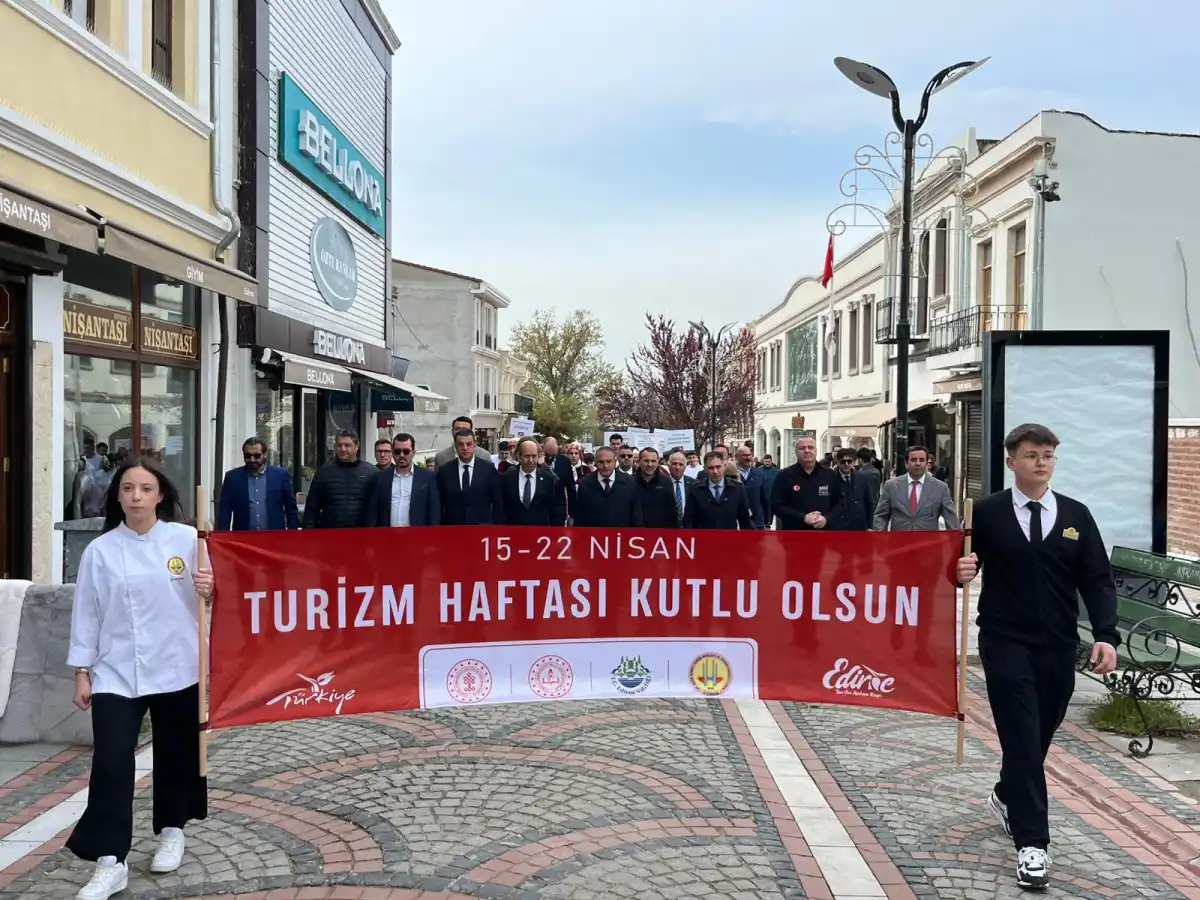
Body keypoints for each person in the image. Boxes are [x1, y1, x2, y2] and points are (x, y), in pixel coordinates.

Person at [957, 423, 1118, 891]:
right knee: (1022, 735)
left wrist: (1106, 635)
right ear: (1011, 462)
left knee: (1040, 732)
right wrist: (959, 570)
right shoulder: (985, 513)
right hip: (1004, 642)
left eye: (1048, 454)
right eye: (1032, 455)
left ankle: (1009, 793)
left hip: (1058, 646)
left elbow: (1096, 580)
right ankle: (1033, 845)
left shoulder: (1075, 516)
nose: (1042, 462)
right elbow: (955, 564)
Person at [66, 458, 213, 899]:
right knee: (111, 761)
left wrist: (210, 587)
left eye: (145, 489)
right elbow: (87, 613)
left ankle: (171, 828)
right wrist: (81, 670)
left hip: (177, 665)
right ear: (117, 496)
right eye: (127, 488)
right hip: (115, 669)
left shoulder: (188, 540)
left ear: (160, 495)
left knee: (175, 753)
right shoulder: (101, 550)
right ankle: (110, 860)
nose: (136, 496)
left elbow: (219, 597)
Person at [216, 437, 299, 531]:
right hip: (243, 538)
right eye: (247, 456)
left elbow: (291, 508)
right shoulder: (232, 477)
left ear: (265, 454)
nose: (252, 460)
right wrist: (222, 537)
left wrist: (292, 534)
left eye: (256, 456)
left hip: (275, 537)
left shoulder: (280, 476)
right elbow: (224, 511)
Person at [873, 445, 960, 531]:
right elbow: (881, 515)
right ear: (906, 464)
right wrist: (880, 537)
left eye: (921, 460)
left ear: (927, 464)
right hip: (899, 542)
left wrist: (955, 540)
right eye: (913, 460)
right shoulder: (891, 486)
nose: (917, 463)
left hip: (928, 542)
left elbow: (951, 518)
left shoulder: (940, 488)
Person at [302, 429, 375, 529]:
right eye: (339, 445)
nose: (343, 449)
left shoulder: (371, 472)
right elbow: (312, 508)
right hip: (330, 534)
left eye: (347, 445)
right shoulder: (324, 472)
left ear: (357, 446)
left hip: (361, 535)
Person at [365, 432, 440, 527]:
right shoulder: (380, 478)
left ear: (413, 453)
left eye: (406, 451)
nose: (401, 455)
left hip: (417, 536)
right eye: (397, 451)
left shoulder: (428, 477)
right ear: (392, 452)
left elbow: (434, 511)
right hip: (387, 537)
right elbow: (373, 512)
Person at [770, 436, 844, 531]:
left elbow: (840, 503)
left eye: (810, 447)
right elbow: (776, 505)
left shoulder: (830, 475)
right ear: (796, 452)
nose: (807, 451)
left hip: (824, 533)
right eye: (802, 448)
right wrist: (803, 517)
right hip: (793, 534)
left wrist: (827, 519)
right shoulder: (784, 475)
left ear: (816, 451)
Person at [436, 428, 505, 525]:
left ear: (474, 446)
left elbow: (497, 503)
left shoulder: (488, 469)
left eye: (468, 444)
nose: (465, 448)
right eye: (461, 444)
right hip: (453, 529)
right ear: (455, 446)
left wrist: (497, 529)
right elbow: (439, 503)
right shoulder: (445, 471)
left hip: (482, 529)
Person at [573, 446, 642, 528]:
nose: (605, 465)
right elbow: (580, 516)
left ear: (615, 461)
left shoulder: (630, 482)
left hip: (622, 536)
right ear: (595, 462)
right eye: (601, 462)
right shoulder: (585, 483)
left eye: (609, 462)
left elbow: (636, 515)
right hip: (594, 537)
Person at [502, 439, 566, 525]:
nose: (531, 460)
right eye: (527, 456)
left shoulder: (548, 478)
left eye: (534, 456)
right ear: (519, 456)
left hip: (540, 533)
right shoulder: (507, 477)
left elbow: (555, 508)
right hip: (512, 531)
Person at [684, 451, 752, 530]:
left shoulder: (737, 489)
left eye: (718, 467)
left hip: (729, 539)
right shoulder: (695, 489)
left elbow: (745, 520)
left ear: (724, 466)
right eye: (711, 468)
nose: (715, 471)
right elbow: (689, 520)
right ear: (705, 469)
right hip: (704, 540)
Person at [631, 447, 678, 528]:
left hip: (659, 534)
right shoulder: (629, 482)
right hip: (634, 534)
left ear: (657, 463)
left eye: (653, 461)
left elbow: (672, 512)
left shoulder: (666, 483)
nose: (650, 464)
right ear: (639, 461)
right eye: (646, 461)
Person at [831, 448, 874, 531]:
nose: (846, 464)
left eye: (849, 461)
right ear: (837, 462)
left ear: (854, 462)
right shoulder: (830, 478)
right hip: (837, 526)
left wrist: (870, 526)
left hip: (858, 525)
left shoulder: (862, 477)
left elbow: (869, 503)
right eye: (843, 462)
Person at [734, 445, 768, 529]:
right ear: (736, 457)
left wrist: (767, 520)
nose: (748, 457)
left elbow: (764, 499)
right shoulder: (730, 474)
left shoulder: (759, 474)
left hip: (757, 522)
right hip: (736, 523)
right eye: (745, 455)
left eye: (750, 455)